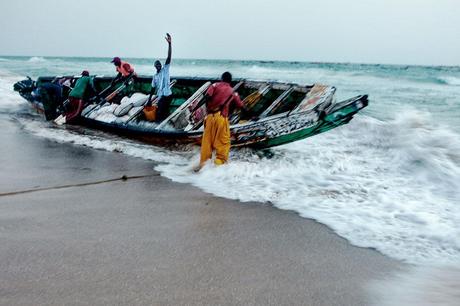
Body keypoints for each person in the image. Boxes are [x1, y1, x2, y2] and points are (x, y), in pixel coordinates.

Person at [197, 72, 244, 170]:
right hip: (221, 118)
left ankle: (203, 166)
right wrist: (252, 116)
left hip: (209, 118)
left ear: (221, 79)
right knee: (223, 144)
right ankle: (218, 168)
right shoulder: (232, 91)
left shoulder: (214, 85)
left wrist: (207, 109)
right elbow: (241, 106)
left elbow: (206, 97)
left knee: (207, 143)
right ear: (230, 81)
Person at [148, 33, 172, 122]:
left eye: (159, 64)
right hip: (160, 96)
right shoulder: (154, 77)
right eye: (156, 65)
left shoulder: (165, 70)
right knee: (162, 112)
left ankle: (160, 126)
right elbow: (152, 88)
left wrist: (169, 44)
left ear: (161, 65)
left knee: (160, 112)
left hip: (167, 95)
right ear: (155, 66)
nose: (158, 65)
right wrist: (149, 99)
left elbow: (169, 57)